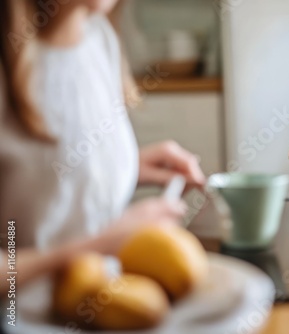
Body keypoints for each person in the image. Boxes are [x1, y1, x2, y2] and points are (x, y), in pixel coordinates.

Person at [0, 0, 205, 294]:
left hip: (104, 303)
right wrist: (100, 245)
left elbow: (39, 185)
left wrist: (124, 167)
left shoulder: (98, 38)